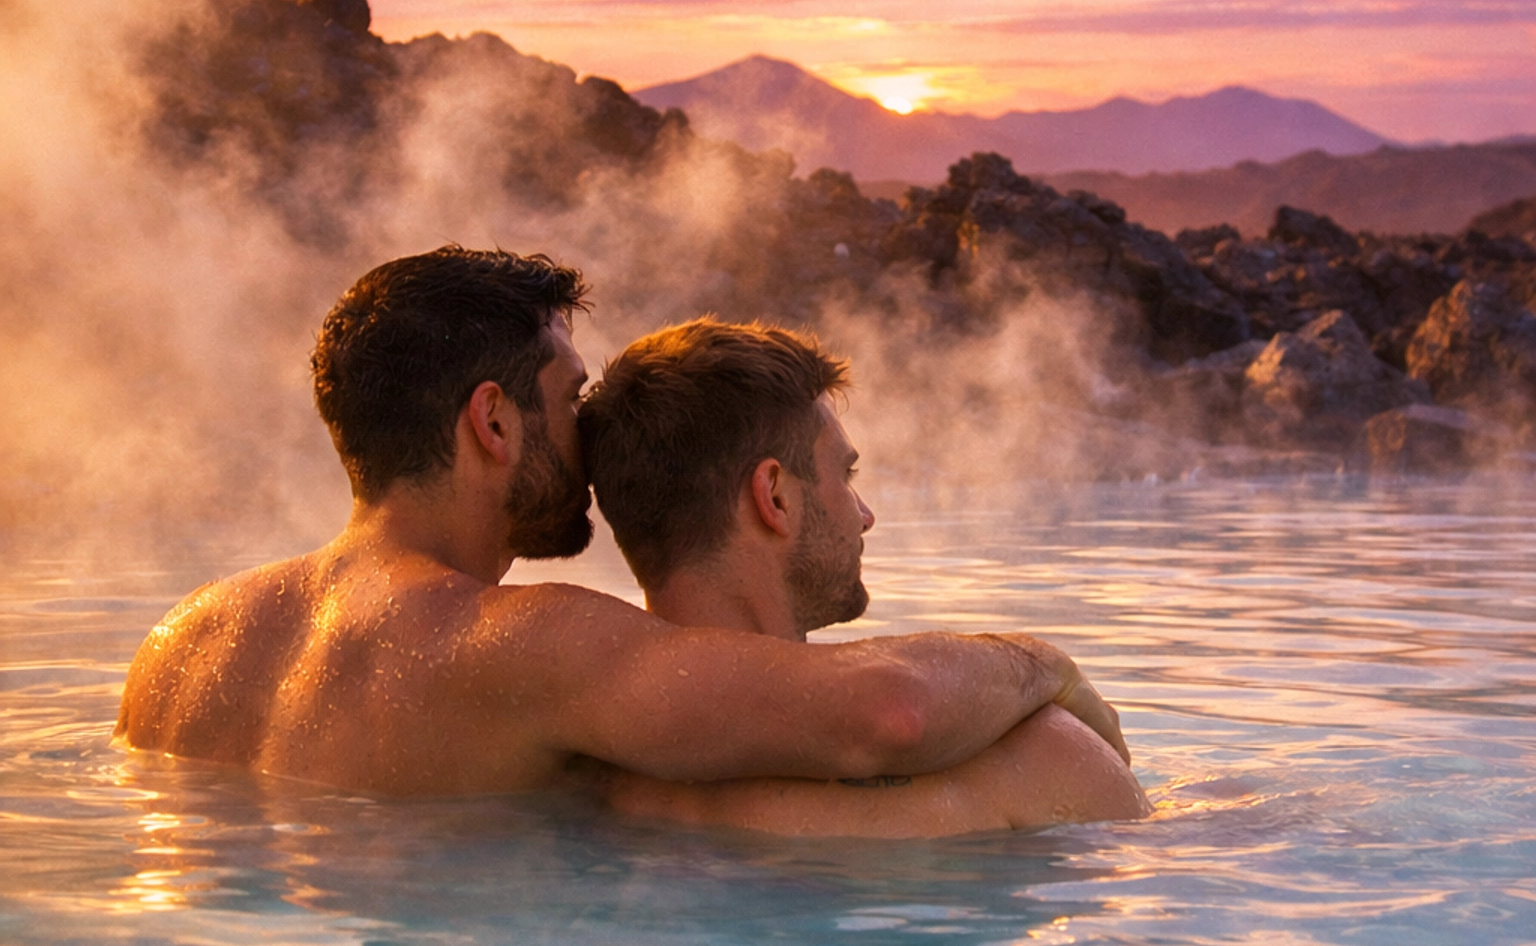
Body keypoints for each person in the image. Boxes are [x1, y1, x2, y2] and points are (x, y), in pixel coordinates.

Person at [116, 246, 1133, 814]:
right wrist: (1043, 664)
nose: (587, 431)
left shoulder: (184, 642)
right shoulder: (518, 642)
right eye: (569, 398)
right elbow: (884, 715)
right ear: (493, 422)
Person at [579, 317, 1147, 837]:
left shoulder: (569, 758)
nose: (865, 515)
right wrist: (1039, 665)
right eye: (845, 476)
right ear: (775, 496)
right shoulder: (1028, 761)